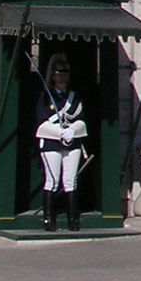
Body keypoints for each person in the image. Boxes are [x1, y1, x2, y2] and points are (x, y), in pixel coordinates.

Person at [33, 53, 86, 232]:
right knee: (52, 180)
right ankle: (49, 219)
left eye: (65, 72)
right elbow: (42, 122)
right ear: (53, 76)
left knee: (70, 181)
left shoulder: (74, 97)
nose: (62, 76)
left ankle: (73, 219)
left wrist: (73, 130)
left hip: (72, 144)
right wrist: (61, 132)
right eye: (58, 73)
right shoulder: (46, 97)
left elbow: (80, 118)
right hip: (51, 143)